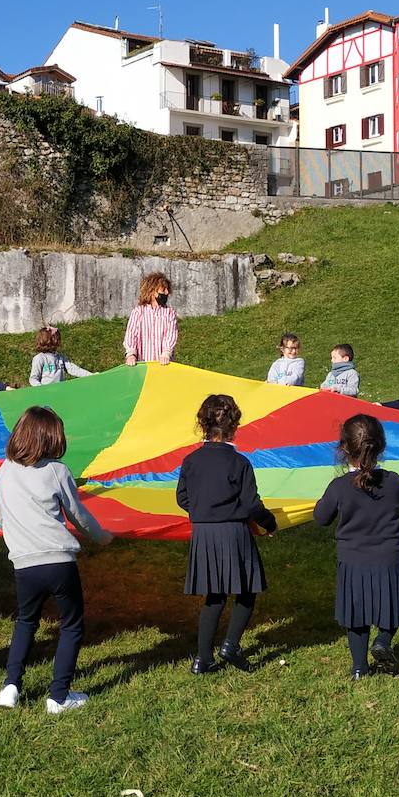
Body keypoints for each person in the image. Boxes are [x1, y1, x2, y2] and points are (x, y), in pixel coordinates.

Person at [0, 407, 111, 713]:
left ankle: (10, 687)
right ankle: (58, 697)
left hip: (24, 564)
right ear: (51, 440)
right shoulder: (58, 471)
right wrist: (102, 536)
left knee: (25, 622)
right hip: (59, 562)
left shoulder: (3, 472)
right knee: (71, 624)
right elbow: (79, 516)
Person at [176, 395, 277, 674]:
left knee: (215, 595)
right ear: (235, 426)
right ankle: (231, 644)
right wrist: (270, 523)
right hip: (233, 532)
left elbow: (182, 497)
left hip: (204, 535)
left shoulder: (190, 460)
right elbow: (251, 504)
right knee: (247, 590)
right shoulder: (239, 463)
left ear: (203, 424)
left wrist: (202, 510)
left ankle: (202, 658)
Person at [313, 414, 399, 679]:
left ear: (343, 448)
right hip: (388, 557)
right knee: (390, 605)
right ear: (381, 446)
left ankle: (359, 667)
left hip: (353, 560)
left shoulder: (338, 487)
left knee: (356, 614)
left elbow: (321, 518)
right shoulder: (393, 481)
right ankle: (382, 640)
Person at [123, 272, 178, 366]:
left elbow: (170, 335)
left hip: (163, 364)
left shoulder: (169, 313)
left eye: (167, 290)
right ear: (152, 291)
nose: (167, 292)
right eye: (163, 289)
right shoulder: (138, 312)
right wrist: (130, 354)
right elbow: (131, 335)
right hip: (142, 364)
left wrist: (166, 353)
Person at [29, 327, 93, 386]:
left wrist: (91, 375)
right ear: (50, 341)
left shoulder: (60, 357)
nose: (59, 341)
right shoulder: (40, 358)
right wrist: (42, 389)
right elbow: (33, 379)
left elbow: (73, 369)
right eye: (57, 339)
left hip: (60, 391)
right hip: (47, 394)